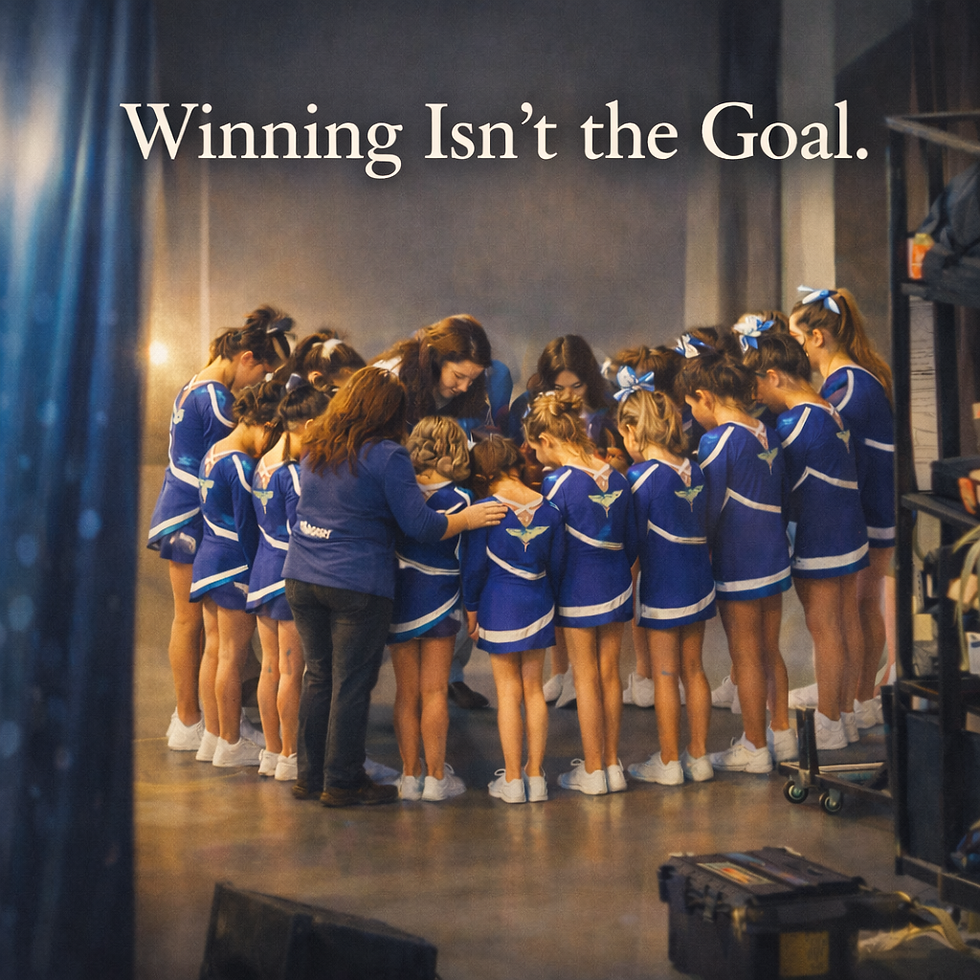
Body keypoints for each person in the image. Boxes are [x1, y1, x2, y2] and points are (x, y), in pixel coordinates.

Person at [282, 367, 506, 808]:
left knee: (319, 677)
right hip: (355, 582)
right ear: (388, 411)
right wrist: (467, 519)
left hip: (301, 575)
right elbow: (420, 525)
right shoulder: (386, 455)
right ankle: (343, 781)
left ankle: (309, 775)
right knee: (350, 682)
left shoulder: (316, 449)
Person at [147, 306, 291, 751]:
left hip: (182, 509)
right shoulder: (217, 399)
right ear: (247, 357)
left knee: (200, 630)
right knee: (194, 625)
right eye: (264, 373)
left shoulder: (196, 384)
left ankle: (207, 722)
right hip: (192, 517)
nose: (259, 386)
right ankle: (194, 720)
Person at [747, 331, 870, 751]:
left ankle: (830, 720)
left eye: (758, 385)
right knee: (845, 622)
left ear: (775, 376)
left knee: (826, 630)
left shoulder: (792, 424)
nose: (758, 396)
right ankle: (846, 713)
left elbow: (779, 487)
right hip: (848, 530)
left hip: (819, 535)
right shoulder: (831, 411)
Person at [677, 351, 791, 774]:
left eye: (692, 407)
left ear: (705, 396)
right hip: (774, 555)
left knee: (745, 654)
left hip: (739, 560)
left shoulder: (717, 441)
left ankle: (755, 746)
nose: (693, 415)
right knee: (768, 648)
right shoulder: (767, 431)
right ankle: (782, 732)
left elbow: (707, 508)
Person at [375, 314, 496, 709]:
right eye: (458, 376)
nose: (464, 387)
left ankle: (449, 679)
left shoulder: (463, 396)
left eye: (472, 379)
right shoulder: (390, 380)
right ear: (433, 359)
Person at [789, 287, 895, 728]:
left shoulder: (847, 387)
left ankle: (856, 697)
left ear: (818, 337)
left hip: (867, 511)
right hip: (874, 508)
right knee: (859, 607)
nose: (797, 353)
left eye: (797, 342)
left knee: (857, 607)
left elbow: (842, 454)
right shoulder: (851, 380)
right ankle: (853, 691)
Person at [525, 391, 635, 795]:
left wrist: (547, 584)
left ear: (547, 440)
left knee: (584, 677)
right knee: (610, 675)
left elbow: (551, 544)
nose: (536, 457)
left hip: (577, 586)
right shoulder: (617, 476)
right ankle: (612, 764)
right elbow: (631, 536)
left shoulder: (557, 482)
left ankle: (592, 770)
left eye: (535, 448)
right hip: (617, 581)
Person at [505, 335, 623, 708]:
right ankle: (560, 672)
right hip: (552, 505)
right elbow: (517, 457)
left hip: (593, 521)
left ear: (590, 379)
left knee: (597, 665)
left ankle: (595, 753)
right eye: (560, 388)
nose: (569, 395)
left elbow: (621, 463)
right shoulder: (529, 409)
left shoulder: (605, 410)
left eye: (577, 386)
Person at [615, 368, 716, 784]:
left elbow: (633, 542)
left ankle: (670, 761)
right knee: (695, 670)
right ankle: (700, 756)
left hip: (661, 586)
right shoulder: (695, 470)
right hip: (698, 581)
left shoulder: (641, 478)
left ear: (632, 430)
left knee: (665, 674)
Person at [463, 436, 564, 803]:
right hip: (539, 601)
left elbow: (473, 567)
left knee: (507, 693)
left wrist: (471, 607)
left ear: (482, 472)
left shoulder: (484, 509)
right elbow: (556, 565)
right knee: (533, 690)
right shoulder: (550, 509)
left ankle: (511, 779)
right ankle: (535, 777)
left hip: (498, 603)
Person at [190, 381, 284, 767]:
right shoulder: (242, 465)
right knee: (231, 655)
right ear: (261, 422)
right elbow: (249, 528)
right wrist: (256, 571)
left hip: (207, 558)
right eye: (272, 433)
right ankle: (231, 741)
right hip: (233, 564)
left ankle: (213, 736)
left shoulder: (213, 452)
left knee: (214, 651)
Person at [247, 380, 331, 780]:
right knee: (290, 671)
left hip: (262, 569)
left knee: (270, 669)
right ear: (310, 424)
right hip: (287, 574)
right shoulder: (293, 473)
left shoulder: (263, 461)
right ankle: (290, 756)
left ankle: (271, 750)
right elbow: (304, 525)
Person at [387, 416, 474, 802]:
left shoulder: (399, 492)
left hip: (399, 596)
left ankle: (410, 775)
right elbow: (470, 560)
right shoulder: (463, 500)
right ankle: (437, 778)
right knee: (435, 690)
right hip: (441, 597)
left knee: (406, 694)